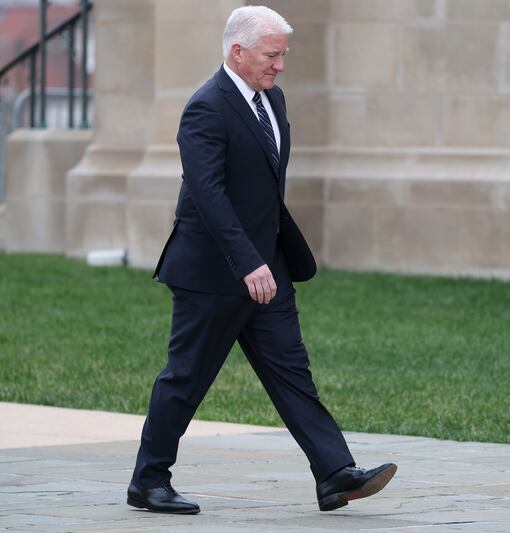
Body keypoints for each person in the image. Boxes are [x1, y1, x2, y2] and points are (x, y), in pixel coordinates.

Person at [127, 5, 396, 515]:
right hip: (215, 272)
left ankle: (334, 473)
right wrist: (247, 261)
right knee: (186, 377)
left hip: (267, 269)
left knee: (292, 371)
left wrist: (266, 260)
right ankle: (148, 480)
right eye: (272, 55)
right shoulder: (206, 107)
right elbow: (208, 194)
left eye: (282, 55)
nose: (280, 65)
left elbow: (263, 187)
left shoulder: (273, 101)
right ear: (238, 51)